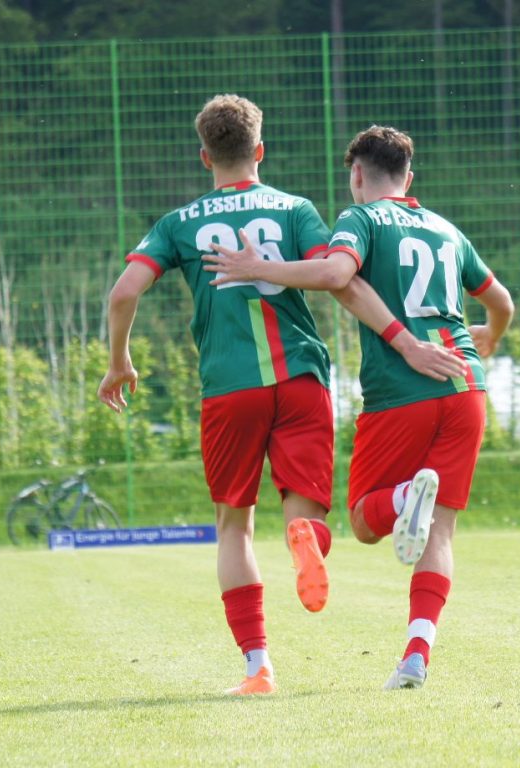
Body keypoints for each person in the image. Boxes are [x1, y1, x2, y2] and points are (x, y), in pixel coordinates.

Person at [202, 124, 515, 690]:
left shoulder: (361, 219)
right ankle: (416, 656)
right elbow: (502, 301)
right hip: (466, 381)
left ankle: (404, 495)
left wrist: (257, 268)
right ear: (409, 177)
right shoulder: (446, 229)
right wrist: (489, 335)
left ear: (356, 175)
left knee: (366, 520)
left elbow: (335, 275)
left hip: (402, 389)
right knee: (440, 531)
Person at [98, 94, 340, 697]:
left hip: (230, 388)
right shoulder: (295, 209)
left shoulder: (179, 222)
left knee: (234, 526)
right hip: (301, 376)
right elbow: (332, 273)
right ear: (260, 150)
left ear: (205, 156)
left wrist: (119, 361)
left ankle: (258, 667)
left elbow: (124, 293)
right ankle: (305, 538)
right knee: (303, 508)